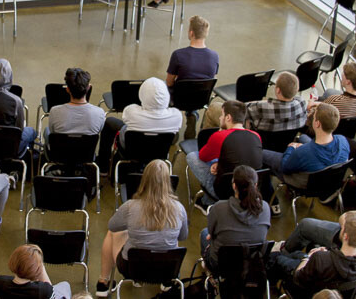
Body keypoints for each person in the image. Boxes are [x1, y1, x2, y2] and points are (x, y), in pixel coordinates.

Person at [95, 160, 188, 297]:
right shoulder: (179, 208)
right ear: (168, 181)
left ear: (144, 179)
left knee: (114, 232)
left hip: (132, 269)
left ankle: (103, 283)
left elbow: (112, 226)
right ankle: (167, 282)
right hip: (167, 269)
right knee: (172, 235)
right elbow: (183, 236)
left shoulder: (130, 206)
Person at [260, 103, 349, 212]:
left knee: (261, 154)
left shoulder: (304, 153)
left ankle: (269, 197)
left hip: (302, 183)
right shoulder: (343, 141)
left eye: (314, 115)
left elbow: (285, 166)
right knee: (302, 137)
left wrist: (291, 148)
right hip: (327, 182)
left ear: (317, 123)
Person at [268, 212, 356, 297]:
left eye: (342, 228)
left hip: (306, 292)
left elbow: (298, 277)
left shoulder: (321, 258)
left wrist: (307, 258)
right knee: (297, 254)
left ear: (345, 236)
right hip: (338, 294)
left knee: (277, 257)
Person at [185, 100, 263, 213]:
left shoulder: (220, 136)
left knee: (192, 156)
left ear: (228, 118)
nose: (220, 118)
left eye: (222, 115)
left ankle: (209, 201)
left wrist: (221, 132)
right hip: (249, 187)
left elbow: (203, 156)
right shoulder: (256, 136)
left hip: (224, 190)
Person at [97, 77, 182, 173]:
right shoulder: (176, 115)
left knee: (110, 121)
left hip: (131, 150)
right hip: (159, 152)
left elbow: (127, 121)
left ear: (142, 94)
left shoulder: (131, 111)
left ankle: (103, 166)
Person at [200, 165, 271, 271]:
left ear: (234, 185)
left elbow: (211, 232)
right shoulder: (265, 207)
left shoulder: (219, 207)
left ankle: (209, 269)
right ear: (255, 185)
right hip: (252, 262)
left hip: (221, 264)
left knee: (205, 233)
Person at [166, 15, 219, 138]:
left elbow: (169, 82)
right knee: (196, 87)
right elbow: (212, 77)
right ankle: (192, 114)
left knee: (163, 87)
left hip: (179, 99)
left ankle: (172, 125)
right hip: (201, 99)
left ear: (191, 33)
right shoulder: (214, 56)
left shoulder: (178, 55)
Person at [203, 71, 306, 132]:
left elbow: (239, 110)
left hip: (249, 136)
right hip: (277, 147)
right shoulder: (301, 104)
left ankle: (207, 142)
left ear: (278, 90)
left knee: (213, 108)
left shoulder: (261, 107)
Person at [46, 68, 105, 148]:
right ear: (88, 88)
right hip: (86, 158)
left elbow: (53, 131)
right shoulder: (100, 113)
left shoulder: (54, 111)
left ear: (67, 89)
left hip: (60, 157)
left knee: (47, 131)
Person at [0, 244, 71, 299]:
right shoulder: (43, 291)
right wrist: (41, 267)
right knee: (65, 285)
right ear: (36, 271)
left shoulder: (0, 282)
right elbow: (50, 291)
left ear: (12, 261)